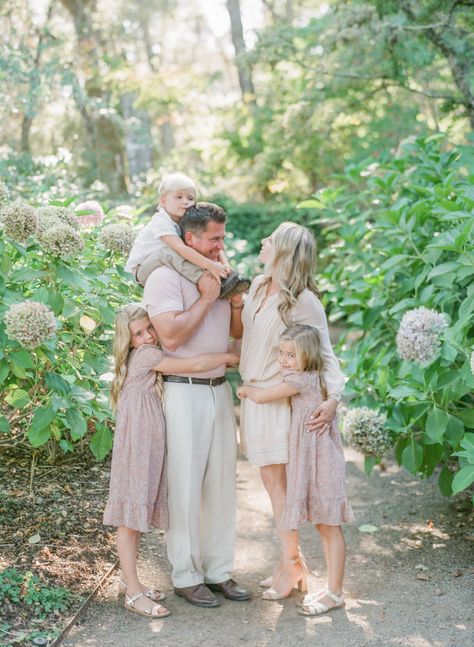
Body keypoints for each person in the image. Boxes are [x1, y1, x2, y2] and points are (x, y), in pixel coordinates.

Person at [142, 203, 251, 608]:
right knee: (185, 485)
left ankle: (219, 571)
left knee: (222, 485)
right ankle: (186, 576)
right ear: (190, 239)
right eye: (215, 238)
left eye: (223, 237)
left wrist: (234, 301)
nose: (222, 245)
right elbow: (169, 339)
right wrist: (207, 298)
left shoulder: (220, 275)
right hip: (182, 391)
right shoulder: (164, 277)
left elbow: (234, 333)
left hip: (219, 389)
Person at [103, 303, 239, 617]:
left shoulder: (143, 355)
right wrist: (229, 358)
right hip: (139, 442)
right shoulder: (149, 355)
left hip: (143, 439)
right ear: (129, 340)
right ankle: (134, 593)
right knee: (130, 516)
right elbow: (193, 365)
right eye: (139, 333)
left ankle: (130, 580)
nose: (149, 336)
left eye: (150, 328)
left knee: (134, 514)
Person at [238, 222, 346, 609]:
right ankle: (292, 561)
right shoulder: (256, 286)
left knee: (280, 485)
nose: (262, 242)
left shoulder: (304, 301)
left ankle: (290, 565)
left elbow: (326, 354)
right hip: (255, 396)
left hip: (280, 399)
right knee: (272, 485)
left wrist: (334, 398)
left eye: (270, 240)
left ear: (284, 253)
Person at [238, 324, 353, 613]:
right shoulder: (305, 377)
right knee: (324, 524)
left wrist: (245, 389)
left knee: (328, 525)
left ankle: (335, 592)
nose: (284, 360)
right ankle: (329, 588)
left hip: (321, 458)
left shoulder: (300, 380)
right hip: (313, 456)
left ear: (308, 356)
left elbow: (265, 395)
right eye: (282, 353)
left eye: (291, 355)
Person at [125, 172, 250, 296]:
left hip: (165, 262)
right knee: (168, 253)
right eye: (179, 197)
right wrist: (211, 266)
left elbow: (216, 243)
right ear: (163, 201)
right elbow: (181, 248)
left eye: (190, 198)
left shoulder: (185, 219)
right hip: (142, 269)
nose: (186, 202)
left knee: (208, 241)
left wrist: (226, 266)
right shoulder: (161, 221)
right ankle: (205, 281)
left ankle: (227, 279)